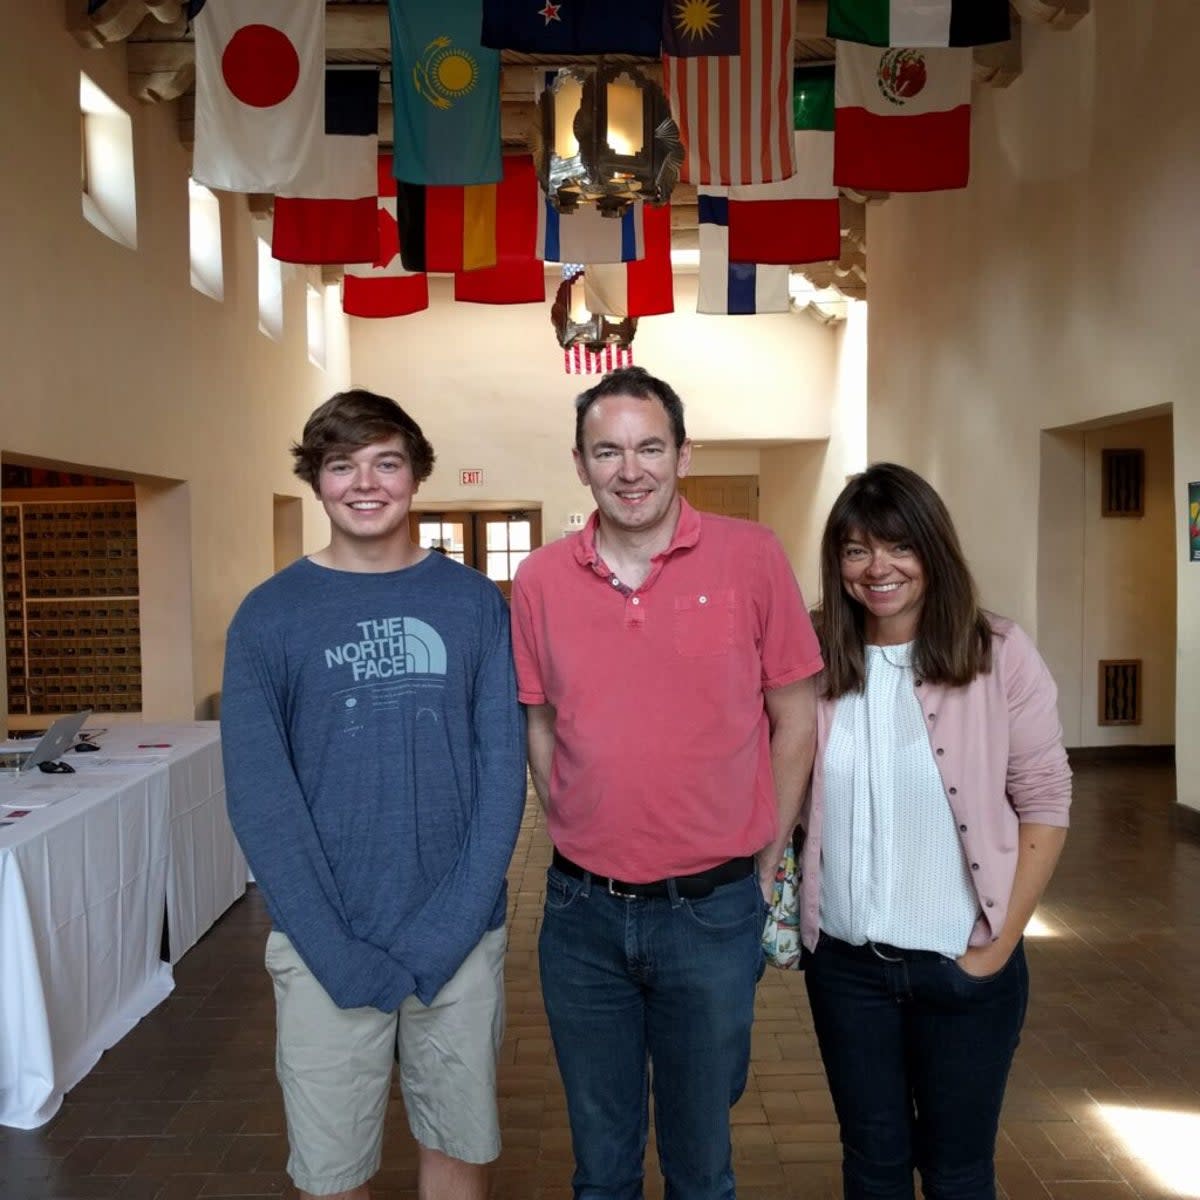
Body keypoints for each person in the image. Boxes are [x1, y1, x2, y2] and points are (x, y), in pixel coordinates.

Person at [510, 366, 823, 1199]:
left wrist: (769, 854)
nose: (630, 469)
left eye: (650, 447)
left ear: (684, 454)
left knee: (700, 1163)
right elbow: (539, 722)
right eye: (606, 451)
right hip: (581, 917)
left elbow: (796, 717)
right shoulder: (539, 580)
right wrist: (575, 821)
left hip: (713, 910)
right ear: (580, 464)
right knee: (602, 1168)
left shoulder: (750, 557)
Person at [221, 389, 526, 1200]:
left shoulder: (471, 606)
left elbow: (503, 771)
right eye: (341, 464)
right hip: (325, 945)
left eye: (386, 462)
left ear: (416, 475)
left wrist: (453, 927)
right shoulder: (268, 616)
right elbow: (260, 796)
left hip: (458, 941)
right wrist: (329, 942)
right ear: (317, 481)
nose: (365, 482)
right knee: (332, 1173)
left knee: (457, 1148)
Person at [798, 462, 1072, 1200]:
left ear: (933, 551)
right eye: (856, 551)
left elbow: (1046, 801)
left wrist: (999, 945)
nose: (877, 568)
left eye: (897, 547)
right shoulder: (812, 655)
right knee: (873, 1165)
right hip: (847, 969)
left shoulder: (997, 654)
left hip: (963, 964)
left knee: (957, 1173)